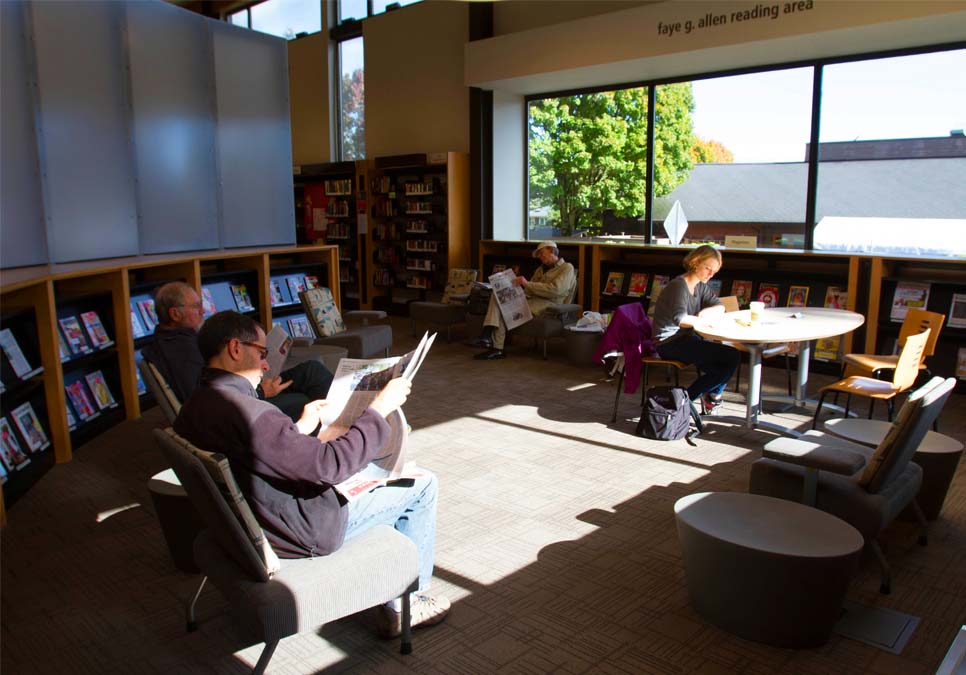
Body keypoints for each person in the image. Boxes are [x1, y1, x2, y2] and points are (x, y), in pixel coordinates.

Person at [173, 310, 449, 637]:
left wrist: (297, 430)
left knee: (370, 471)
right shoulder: (255, 415)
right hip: (301, 530)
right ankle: (407, 605)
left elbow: (255, 454)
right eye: (262, 354)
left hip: (256, 518)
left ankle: (384, 576)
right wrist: (378, 410)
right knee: (422, 485)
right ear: (235, 349)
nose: (265, 365)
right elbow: (330, 466)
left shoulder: (196, 405)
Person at [142, 282, 332, 422]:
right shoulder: (180, 350)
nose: (202, 311)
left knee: (311, 370)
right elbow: (207, 400)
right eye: (196, 307)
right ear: (175, 314)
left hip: (246, 390)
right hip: (244, 403)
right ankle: (337, 425)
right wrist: (261, 392)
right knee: (306, 392)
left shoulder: (171, 341)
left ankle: (340, 419)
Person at [651, 245, 740, 414]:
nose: (711, 274)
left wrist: (704, 314)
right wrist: (703, 322)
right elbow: (681, 319)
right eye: (708, 268)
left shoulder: (699, 285)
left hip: (687, 339)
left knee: (720, 369)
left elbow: (719, 306)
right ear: (695, 262)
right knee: (732, 356)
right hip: (669, 343)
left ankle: (705, 398)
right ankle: (690, 400)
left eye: (714, 271)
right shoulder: (679, 286)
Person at [473, 240, 576, 360]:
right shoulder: (540, 270)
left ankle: (492, 341)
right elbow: (528, 290)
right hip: (531, 300)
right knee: (498, 296)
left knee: (502, 306)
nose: (540, 257)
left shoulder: (567, 268)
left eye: (542, 253)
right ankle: (492, 343)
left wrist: (527, 284)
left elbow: (556, 290)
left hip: (550, 305)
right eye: (539, 255)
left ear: (552, 251)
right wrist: (513, 289)